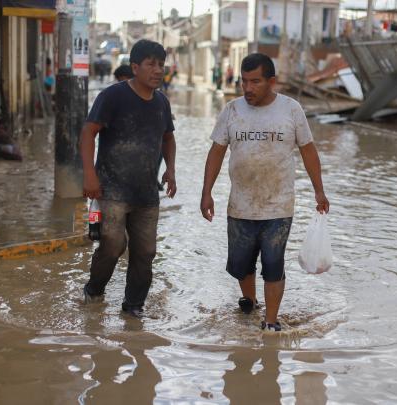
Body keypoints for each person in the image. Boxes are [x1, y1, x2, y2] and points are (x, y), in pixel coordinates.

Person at [200, 53, 329, 332]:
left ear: (272, 81)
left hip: (279, 205)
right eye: (244, 81)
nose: (248, 88)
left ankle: (270, 321)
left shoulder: (291, 110)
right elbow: (217, 152)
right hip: (240, 204)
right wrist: (206, 192)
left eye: (255, 82)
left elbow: (308, 150)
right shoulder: (232, 110)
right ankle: (250, 299)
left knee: (273, 263)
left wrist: (319, 191)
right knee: (241, 264)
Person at [80, 39, 177, 318]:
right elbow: (88, 133)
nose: (158, 70)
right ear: (135, 67)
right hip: (111, 189)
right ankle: (94, 290)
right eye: (151, 64)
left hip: (146, 193)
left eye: (161, 64)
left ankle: (133, 307)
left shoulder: (161, 102)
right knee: (112, 245)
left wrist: (170, 169)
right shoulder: (113, 96)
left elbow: (168, 138)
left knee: (145, 253)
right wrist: (89, 175)